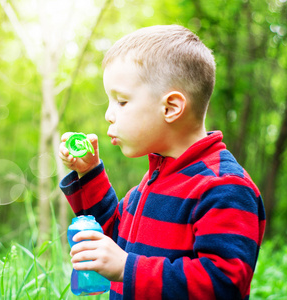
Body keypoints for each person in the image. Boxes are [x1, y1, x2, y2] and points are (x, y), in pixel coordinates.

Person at [58, 25, 266, 299]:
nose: (109, 115)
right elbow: (112, 236)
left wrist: (126, 268)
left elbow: (223, 284)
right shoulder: (153, 182)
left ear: (171, 108)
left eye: (121, 101)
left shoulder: (225, 187)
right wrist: (89, 173)